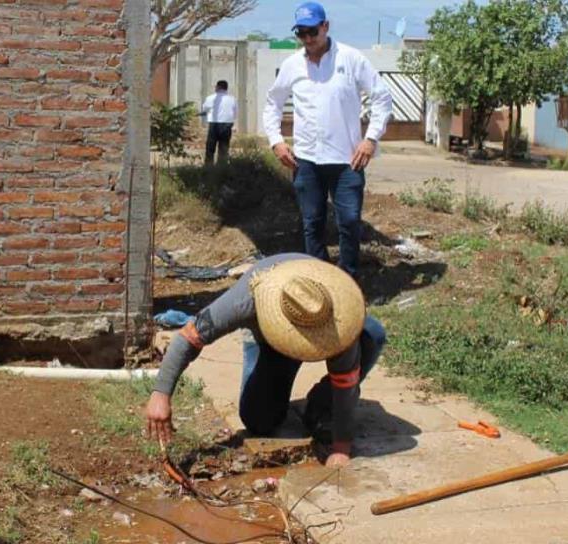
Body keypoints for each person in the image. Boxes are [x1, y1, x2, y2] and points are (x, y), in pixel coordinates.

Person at [145, 254, 387, 469]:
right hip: (270, 345)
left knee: (372, 335)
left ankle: (321, 404)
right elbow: (187, 338)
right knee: (259, 420)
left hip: (329, 325)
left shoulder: (338, 319)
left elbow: (346, 381)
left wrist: (341, 447)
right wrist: (160, 394)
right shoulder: (246, 299)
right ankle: (280, 378)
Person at [262, 2, 393, 278]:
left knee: (348, 221)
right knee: (312, 223)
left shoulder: (351, 59)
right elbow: (272, 103)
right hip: (306, 160)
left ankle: (348, 281)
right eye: (301, 33)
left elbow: (382, 97)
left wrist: (370, 140)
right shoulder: (292, 64)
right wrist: (276, 141)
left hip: (347, 161)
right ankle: (320, 281)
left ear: (326, 27)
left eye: (313, 31)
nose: (308, 39)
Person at [199, 80, 237, 165]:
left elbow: (205, 109)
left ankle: (209, 166)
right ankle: (222, 167)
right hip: (227, 124)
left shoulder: (210, 98)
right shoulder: (232, 99)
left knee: (210, 147)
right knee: (224, 148)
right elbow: (235, 113)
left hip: (214, 124)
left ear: (218, 87)